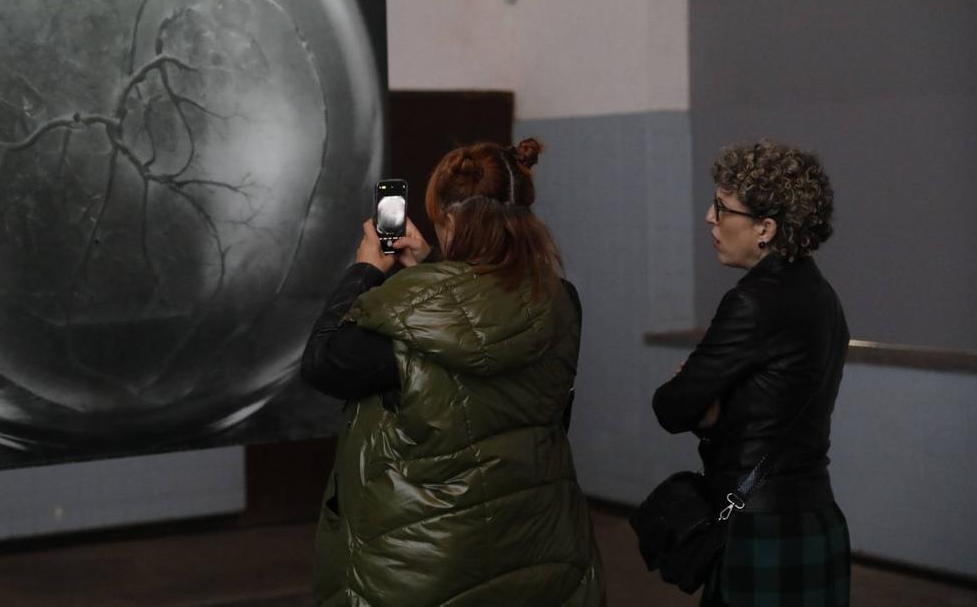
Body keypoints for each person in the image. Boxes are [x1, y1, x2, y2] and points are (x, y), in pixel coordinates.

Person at [301, 138, 604, 607]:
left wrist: (364, 270)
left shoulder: (404, 316)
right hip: (536, 540)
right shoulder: (561, 301)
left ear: (448, 218)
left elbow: (323, 361)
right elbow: (481, 319)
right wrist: (432, 265)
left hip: (421, 559)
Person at [652, 140, 850, 607]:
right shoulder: (823, 296)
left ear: (765, 228)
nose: (709, 217)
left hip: (759, 527)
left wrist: (706, 409)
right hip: (815, 516)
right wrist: (718, 415)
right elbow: (778, 406)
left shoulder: (752, 302)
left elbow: (671, 406)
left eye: (723, 208)